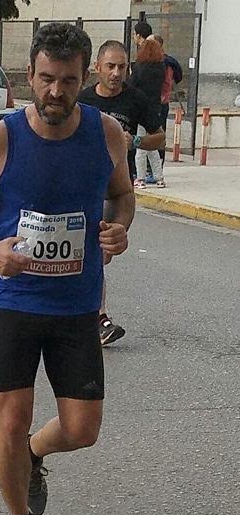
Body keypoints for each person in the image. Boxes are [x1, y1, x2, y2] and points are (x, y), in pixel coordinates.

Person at [0, 23, 133, 515]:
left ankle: (33, 455)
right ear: (30, 75)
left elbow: (121, 197)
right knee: (11, 417)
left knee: (82, 429)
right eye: (46, 79)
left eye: (68, 80)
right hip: (14, 302)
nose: (55, 91)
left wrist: (120, 228)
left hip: (77, 306)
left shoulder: (107, 134)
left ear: (86, 79)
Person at [78, 40, 164, 347]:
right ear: (97, 68)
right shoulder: (83, 100)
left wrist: (136, 142)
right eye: (111, 66)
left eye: (122, 67)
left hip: (116, 193)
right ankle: (97, 318)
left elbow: (159, 137)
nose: (116, 73)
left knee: (100, 255)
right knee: (92, 255)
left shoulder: (135, 99)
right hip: (84, 190)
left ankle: (89, 315)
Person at [128, 37, 166, 188]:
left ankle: (141, 178)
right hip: (155, 108)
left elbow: (131, 86)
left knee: (140, 145)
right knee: (152, 145)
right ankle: (159, 177)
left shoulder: (139, 68)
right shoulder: (161, 68)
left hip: (141, 109)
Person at [150, 34, 182, 171]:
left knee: (158, 135)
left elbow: (167, 82)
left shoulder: (164, 63)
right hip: (159, 102)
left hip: (160, 103)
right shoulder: (159, 62)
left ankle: (157, 169)